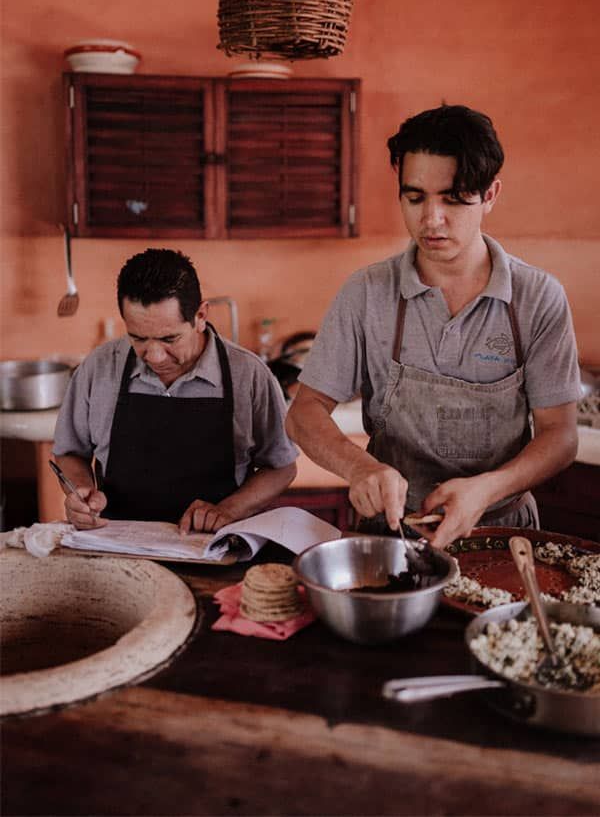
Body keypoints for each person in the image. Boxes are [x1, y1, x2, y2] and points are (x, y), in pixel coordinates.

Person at [286, 104, 580, 549]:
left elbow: (561, 434)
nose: (431, 219)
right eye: (415, 197)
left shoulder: (537, 297)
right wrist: (358, 467)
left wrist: (486, 490)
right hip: (390, 535)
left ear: (490, 195)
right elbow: (304, 412)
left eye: (453, 198)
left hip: (502, 534)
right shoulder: (366, 293)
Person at [53, 248, 297, 533]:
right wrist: (81, 492)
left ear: (200, 316)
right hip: (118, 545)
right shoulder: (99, 368)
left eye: (170, 339)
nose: (155, 356)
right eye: (138, 338)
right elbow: (70, 453)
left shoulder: (249, 374)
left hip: (212, 545)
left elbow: (281, 468)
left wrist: (228, 510)